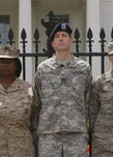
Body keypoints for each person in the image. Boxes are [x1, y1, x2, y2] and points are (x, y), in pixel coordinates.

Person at [34, 22, 92, 157]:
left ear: (71, 40)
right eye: (57, 36)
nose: (61, 38)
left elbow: (88, 100)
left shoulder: (83, 68)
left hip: (76, 134)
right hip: (49, 134)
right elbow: (37, 102)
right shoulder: (43, 69)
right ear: (53, 43)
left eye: (64, 35)